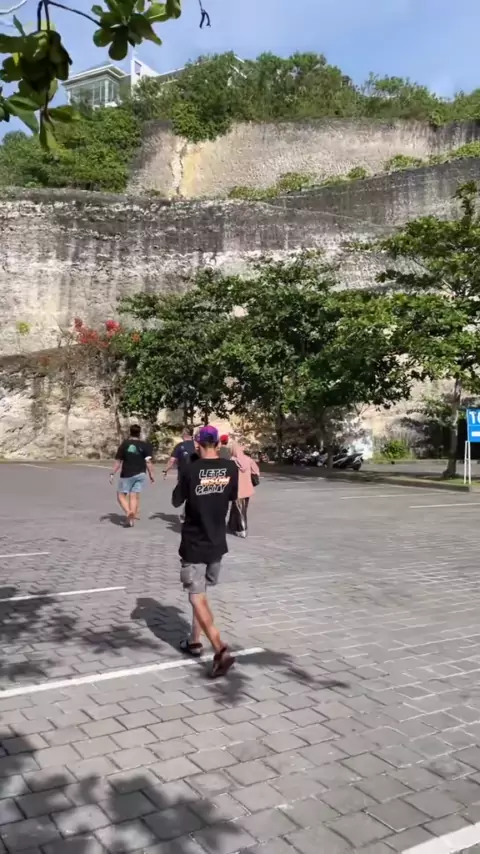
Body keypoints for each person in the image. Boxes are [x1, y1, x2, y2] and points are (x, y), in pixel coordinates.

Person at [172, 425, 238, 678]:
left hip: (194, 542)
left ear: (197, 445)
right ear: (218, 445)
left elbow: (176, 500)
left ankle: (220, 649)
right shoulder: (230, 468)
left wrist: (189, 471)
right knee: (201, 593)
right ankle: (194, 641)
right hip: (217, 543)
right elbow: (231, 496)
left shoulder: (191, 468)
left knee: (195, 596)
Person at [110, 425, 155, 527]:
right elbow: (148, 462)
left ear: (130, 432)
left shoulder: (125, 444)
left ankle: (128, 511)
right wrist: (151, 474)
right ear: (139, 433)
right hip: (141, 474)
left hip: (127, 473)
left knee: (121, 496)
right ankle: (130, 520)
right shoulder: (144, 445)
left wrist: (112, 473)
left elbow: (118, 461)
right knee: (133, 496)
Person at [227, 440, 260, 538]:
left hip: (236, 489)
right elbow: (256, 472)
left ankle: (242, 529)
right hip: (247, 489)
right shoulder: (248, 460)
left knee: (240, 510)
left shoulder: (231, 461)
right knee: (239, 508)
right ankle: (232, 525)